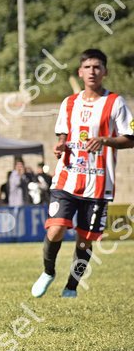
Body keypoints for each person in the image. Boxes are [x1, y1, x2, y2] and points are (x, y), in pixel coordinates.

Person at [31, 49, 134, 299]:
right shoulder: (69, 102)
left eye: (97, 67)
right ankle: (48, 272)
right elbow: (63, 134)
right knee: (55, 229)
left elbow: (130, 138)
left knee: (85, 240)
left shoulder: (115, 103)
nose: (92, 72)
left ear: (105, 71)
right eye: (87, 67)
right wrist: (60, 145)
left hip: (98, 183)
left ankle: (71, 287)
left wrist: (105, 140)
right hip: (67, 177)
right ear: (80, 72)